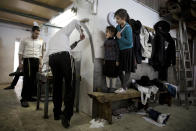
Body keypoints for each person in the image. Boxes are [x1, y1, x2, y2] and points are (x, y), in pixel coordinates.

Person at [43, 19, 85, 128]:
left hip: (53, 59)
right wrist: (81, 33)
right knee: (69, 85)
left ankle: (57, 113)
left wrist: (45, 67)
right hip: (63, 57)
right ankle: (66, 117)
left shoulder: (52, 39)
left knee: (57, 86)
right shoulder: (63, 31)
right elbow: (76, 21)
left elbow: (46, 58)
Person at [18, 26, 43, 107]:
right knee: (27, 79)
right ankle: (24, 99)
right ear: (32, 32)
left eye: (38, 34)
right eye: (36, 33)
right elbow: (20, 52)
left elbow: (40, 54)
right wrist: (20, 63)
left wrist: (40, 64)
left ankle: (29, 96)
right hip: (27, 60)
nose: (37, 35)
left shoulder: (40, 41)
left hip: (36, 61)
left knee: (33, 80)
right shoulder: (24, 39)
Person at [115, 9, 134, 90]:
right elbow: (117, 40)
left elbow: (129, 42)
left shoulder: (128, 28)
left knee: (127, 70)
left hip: (128, 51)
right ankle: (124, 87)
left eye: (118, 18)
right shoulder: (117, 27)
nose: (116, 20)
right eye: (116, 18)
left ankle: (123, 87)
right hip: (120, 51)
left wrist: (120, 37)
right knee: (119, 70)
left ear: (123, 18)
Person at [103, 26, 119, 92]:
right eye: (105, 31)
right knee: (107, 74)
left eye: (107, 32)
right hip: (107, 60)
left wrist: (117, 60)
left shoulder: (115, 42)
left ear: (112, 33)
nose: (105, 33)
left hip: (113, 60)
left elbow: (117, 51)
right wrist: (104, 59)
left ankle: (113, 87)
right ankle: (108, 87)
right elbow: (105, 51)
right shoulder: (105, 42)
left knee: (114, 75)